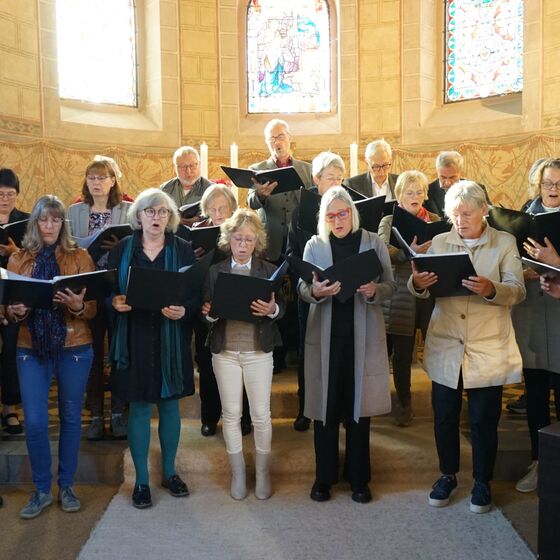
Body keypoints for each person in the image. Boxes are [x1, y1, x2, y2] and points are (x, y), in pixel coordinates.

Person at [409, 181, 525, 514]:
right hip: (446, 342)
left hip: (487, 344)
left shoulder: (504, 242)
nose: (459, 220)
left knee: (483, 419)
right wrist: (417, 283)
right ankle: (447, 475)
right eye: (454, 214)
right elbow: (421, 286)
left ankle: (482, 481)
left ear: (483, 210)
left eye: (466, 213)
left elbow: (518, 290)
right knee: (445, 416)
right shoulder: (440, 242)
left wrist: (491, 289)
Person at [298, 186, 395, 504]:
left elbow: (391, 285)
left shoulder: (373, 241)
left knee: (358, 409)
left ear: (352, 213)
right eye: (331, 216)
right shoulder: (315, 244)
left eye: (342, 213)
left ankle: (359, 479)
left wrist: (374, 291)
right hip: (325, 336)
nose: (337, 220)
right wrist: (315, 292)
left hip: (362, 336)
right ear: (324, 219)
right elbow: (302, 287)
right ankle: (323, 478)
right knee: (325, 409)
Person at [6, 195, 96, 519]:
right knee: (34, 421)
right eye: (44, 219)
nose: (49, 225)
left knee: (71, 417)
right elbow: (7, 309)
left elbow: (92, 308)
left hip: (75, 346)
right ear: (35, 223)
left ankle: (66, 486)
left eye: (56, 220)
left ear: (62, 224)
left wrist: (78, 306)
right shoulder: (18, 259)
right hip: (30, 347)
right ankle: (42, 490)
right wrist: (15, 311)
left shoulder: (80, 256)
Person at [109, 188, 198, 509]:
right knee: (140, 408)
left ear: (170, 217)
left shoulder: (183, 249)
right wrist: (113, 301)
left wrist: (184, 310)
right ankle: (142, 481)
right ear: (139, 216)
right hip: (133, 338)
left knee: (170, 406)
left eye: (162, 211)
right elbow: (106, 290)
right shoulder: (122, 249)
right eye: (150, 211)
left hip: (169, 337)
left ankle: (170, 473)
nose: (156, 217)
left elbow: (195, 294)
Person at [202, 208, 285, 501]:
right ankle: (237, 473)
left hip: (258, 351)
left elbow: (281, 308)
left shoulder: (267, 270)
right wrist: (209, 314)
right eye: (238, 238)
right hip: (225, 351)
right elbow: (205, 313)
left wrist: (272, 309)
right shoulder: (215, 271)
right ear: (228, 240)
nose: (243, 244)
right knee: (231, 414)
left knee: (261, 415)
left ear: (257, 242)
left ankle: (262, 472)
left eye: (249, 239)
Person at [68, 157, 133, 441]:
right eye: (91, 178)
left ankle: (118, 412)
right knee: (91, 352)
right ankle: (95, 414)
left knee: (119, 352)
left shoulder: (127, 210)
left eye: (101, 178)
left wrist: (122, 245)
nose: (96, 183)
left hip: (118, 287)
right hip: (88, 290)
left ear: (113, 181)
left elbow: (140, 246)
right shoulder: (75, 211)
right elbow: (66, 248)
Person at [247, 118, 313, 373]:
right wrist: (260, 195)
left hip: (299, 244)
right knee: (272, 298)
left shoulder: (306, 169)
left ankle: (298, 351)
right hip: (271, 245)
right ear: (267, 142)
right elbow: (250, 202)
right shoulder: (258, 169)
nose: (277, 141)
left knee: (299, 297)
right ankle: (277, 354)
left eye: (281, 136)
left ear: (289, 138)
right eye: (272, 138)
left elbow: (313, 200)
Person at [286, 151, 345, 432]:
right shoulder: (301, 210)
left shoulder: (347, 208)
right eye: (330, 177)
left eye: (339, 178)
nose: (335, 183)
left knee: (340, 351)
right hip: (310, 291)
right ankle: (305, 408)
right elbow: (291, 253)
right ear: (316, 179)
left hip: (342, 291)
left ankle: (340, 408)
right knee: (308, 352)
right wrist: (309, 283)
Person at [511, 158, 560, 493]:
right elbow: (509, 262)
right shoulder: (524, 216)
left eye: (558, 184)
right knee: (537, 394)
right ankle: (539, 461)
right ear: (538, 184)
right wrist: (523, 269)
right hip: (531, 311)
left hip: (558, 314)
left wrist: (556, 262)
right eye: (548, 183)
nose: (553, 189)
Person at [378, 170, 440, 427]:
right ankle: (404, 404)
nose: (415, 196)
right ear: (399, 196)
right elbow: (382, 249)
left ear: (425, 195)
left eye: (419, 192)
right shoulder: (389, 220)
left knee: (436, 349)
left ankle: (442, 402)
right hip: (400, 295)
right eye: (409, 192)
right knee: (402, 356)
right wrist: (408, 252)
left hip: (429, 294)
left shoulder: (435, 220)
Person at [191, 185, 252, 438]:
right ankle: (209, 417)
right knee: (207, 364)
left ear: (232, 209)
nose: (217, 214)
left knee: (241, 364)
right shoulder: (197, 233)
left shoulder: (243, 230)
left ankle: (243, 417)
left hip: (237, 307)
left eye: (222, 209)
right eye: (212, 209)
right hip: (206, 306)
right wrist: (193, 258)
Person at [0, 168, 30, 435]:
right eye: (0, 194)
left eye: (10, 194)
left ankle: (10, 407)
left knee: (12, 350)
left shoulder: (26, 221)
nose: (5, 199)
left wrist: (15, 252)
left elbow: (37, 259)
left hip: (13, 295)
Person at [424, 151, 491, 219]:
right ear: (437, 172)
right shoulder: (426, 192)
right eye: (443, 177)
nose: (447, 182)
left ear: (460, 173)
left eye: (452, 177)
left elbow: (489, 218)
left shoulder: (477, 190)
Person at [159, 146, 213, 225]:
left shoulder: (211, 189)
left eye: (192, 165)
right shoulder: (165, 189)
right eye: (183, 166)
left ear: (199, 164)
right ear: (175, 168)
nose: (188, 171)